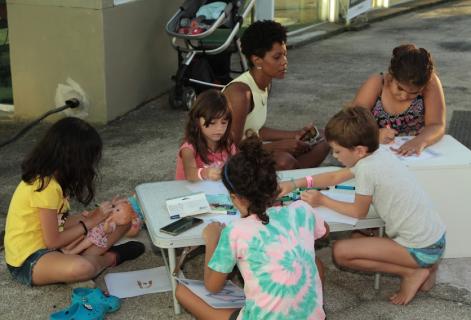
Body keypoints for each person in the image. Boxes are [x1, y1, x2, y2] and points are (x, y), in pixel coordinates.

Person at [280, 107, 446, 305]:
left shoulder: (367, 169)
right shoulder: (376, 153)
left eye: (338, 151)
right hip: (435, 238)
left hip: (420, 247)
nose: (335, 155)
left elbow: (358, 211)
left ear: (359, 150)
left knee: (341, 252)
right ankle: (424, 268)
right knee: (356, 241)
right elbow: (334, 176)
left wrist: (323, 200)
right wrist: (294, 184)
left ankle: (413, 271)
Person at [175, 133, 329, 320]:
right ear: (276, 186)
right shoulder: (302, 210)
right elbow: (325, 230)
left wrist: (211, 241)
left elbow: (212, 285)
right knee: (314, 263)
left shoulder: (235, 232)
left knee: (182, 292)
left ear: (234, 198)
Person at [4, 117, 145, 286]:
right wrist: (91, 222)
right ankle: (108, 258)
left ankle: (86, 258)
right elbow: (53, 240)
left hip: (54, 247)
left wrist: (98, 215)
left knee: (123, 220)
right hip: (30, 260)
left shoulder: (54, 181)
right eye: (88, 160)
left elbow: (58, 223)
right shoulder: (45, 186)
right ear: (73, 159)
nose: (90, 166)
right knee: (82, 268)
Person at [223, 20, 330, 170]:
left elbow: (256, 129)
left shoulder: (266, 83)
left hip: (251, 150)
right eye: (277, 57)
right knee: (284, 161)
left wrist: (294, 135)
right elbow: (229, 150)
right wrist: (276, 147)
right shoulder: (240, 93)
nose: (284, 62)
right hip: (229, 163)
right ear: (257, 60)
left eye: (285, 55)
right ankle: (294, 180)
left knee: (325, 137)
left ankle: (294, 179)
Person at [352, 44, 446, 156]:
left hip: (413, 153)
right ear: (391, 76)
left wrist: (419, 141)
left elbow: (436, 124)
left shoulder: (430, 83)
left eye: (414, 93)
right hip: (375, 150)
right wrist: (375, 135)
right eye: (400, 88)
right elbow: (352, 122)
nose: (404, 96)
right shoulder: (376, 83)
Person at [175, 89, 237, 181]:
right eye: (212, 123)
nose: (219, 128)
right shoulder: (188, 148)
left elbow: (236, 167)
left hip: (216, 193)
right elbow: (190, 174)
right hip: (190, 193)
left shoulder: (228, 144)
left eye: (224, 122)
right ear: (197, 121)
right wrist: (206, 173)